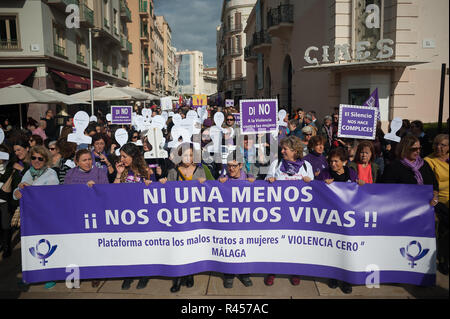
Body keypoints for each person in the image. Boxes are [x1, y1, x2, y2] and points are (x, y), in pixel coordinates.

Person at [265, 136, 314, 286]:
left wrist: (310, 182)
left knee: (295, 244)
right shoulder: (276, 164)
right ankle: (272, 270)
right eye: (282, 148)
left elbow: (314, 189)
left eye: (285, 148)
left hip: (298, 214)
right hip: (278, 213)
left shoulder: (306, 166)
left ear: (295, 150)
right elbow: (267, 180)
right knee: (276, 243)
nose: (282, 151)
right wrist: (270, 180)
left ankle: (295, 271)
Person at [160, 143, 207, 293]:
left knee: (192, 246)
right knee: (179, 247)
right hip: (178, 216)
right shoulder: (173, 171)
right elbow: (168, 193)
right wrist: (163, 183)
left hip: (194, 216)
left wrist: (204, 184)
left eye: (191, 155)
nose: (189, 158)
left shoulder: (200, 171)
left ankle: (190, 274)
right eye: (185, 155)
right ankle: (178, 278)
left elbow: (208, 193)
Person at [12, 145, 59, 290]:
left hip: (45, 215)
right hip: (29, 216)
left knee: (48, 245)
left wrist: (31, 189)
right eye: (34, 158)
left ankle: (50, 276)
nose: (36, 161)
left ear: (46, 160)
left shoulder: (51, 173)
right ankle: (29, 275)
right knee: (29, 245)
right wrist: (17, 192)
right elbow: (17, 191)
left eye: (40, 158)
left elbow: (51, 193)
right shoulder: (28, 172)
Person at [316, 147, 357, 294]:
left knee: (346, 249)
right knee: (333, 248)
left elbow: (358, 193)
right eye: (331, 161)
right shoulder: (324, 174)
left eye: (336, 161)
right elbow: (315, 191)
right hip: (331, 218)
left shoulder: (351, 173)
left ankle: (346, 280)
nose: (333, 164)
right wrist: (322, 185)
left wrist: (362, 186)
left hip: (347, 218)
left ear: (344, 162)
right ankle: (333, 276)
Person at [113, 143, 154, 290]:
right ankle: (129, 274)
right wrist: (118, 174)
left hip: (142, 215)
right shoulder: (123, 170)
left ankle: (144, 274)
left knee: (142, 246)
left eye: (125, 156)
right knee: (129, 247)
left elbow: (154, 193)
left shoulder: (146, 171)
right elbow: (114, 192)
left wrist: (150, 183)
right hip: (126, 215)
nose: (122, 159)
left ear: (133, 157)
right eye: (121, 156)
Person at [218, 151, 255, 289]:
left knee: (244, 248)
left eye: (234, 166)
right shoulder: (222, 178)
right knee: (229, 248)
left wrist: (254, 184)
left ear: (240, 165)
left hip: (245, 222)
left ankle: (244, 274)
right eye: (229, 166)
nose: (231, 169)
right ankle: (229, 275)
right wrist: (218, 184)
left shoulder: (250, 178)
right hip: (228, 222)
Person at [0, 139, 30, 259]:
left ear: (27, 148)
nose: (17, 153)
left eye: (19, 149)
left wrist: (22, 170)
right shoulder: (13, 164)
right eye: (15, 151)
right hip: (15, 203)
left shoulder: (34, 161)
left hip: (30, 203)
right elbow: (4, 184)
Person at [424, 134, 449, 275]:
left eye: (442, 145)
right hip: (438, 200)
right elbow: (431, 185)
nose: (438, 147)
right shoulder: (428, 160)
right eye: (436, 144)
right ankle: (444, 260)